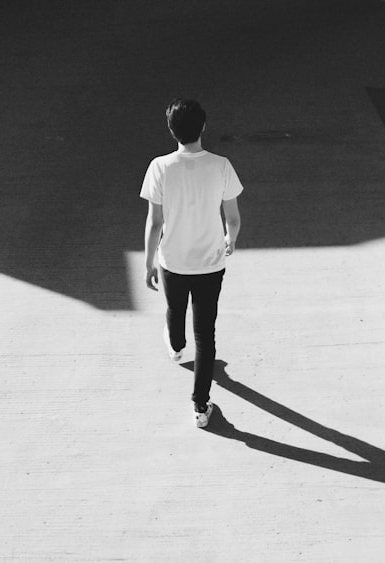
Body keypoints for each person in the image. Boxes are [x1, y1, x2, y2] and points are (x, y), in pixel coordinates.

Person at [140, 98, 243, 428]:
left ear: (171, 130)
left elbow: (154, 222)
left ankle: (175, 347)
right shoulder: (222, 165)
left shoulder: (159, 167)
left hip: (172, 260)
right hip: (210, 263)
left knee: (174, 309)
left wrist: (147, 263)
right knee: (206, 335)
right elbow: (234, 218)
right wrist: (231, 239)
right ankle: (201, 407)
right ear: (204, 127)